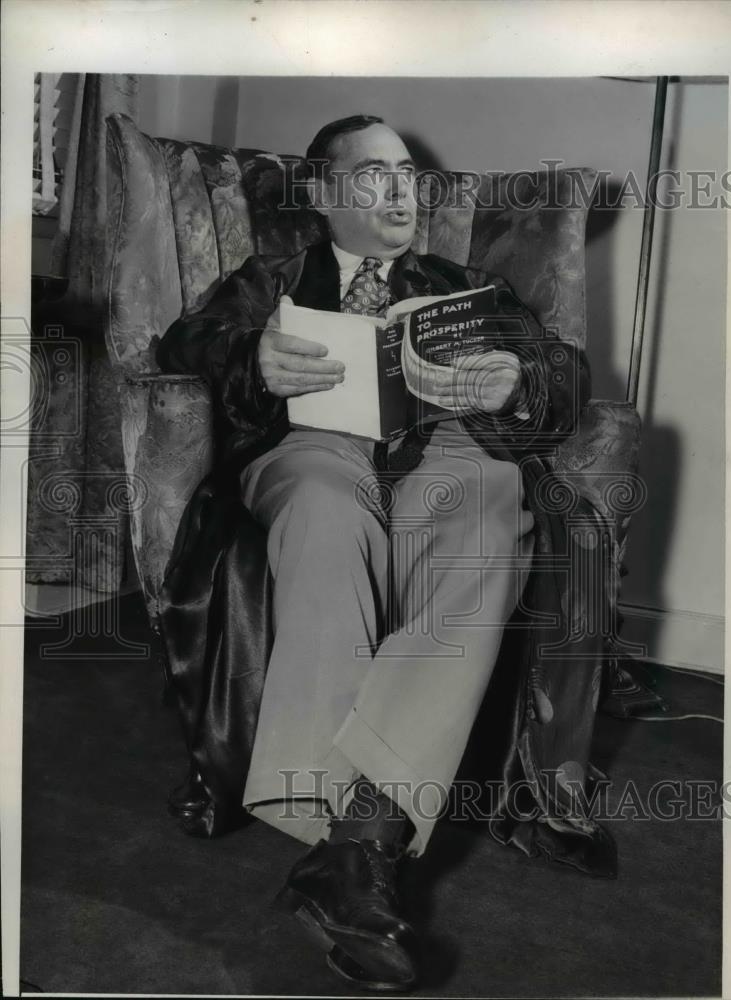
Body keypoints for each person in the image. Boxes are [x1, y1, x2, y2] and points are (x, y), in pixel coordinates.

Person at [156, 115, 601, 992]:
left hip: (448, 454)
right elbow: (182, 341)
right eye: (374, 175)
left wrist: (520, 377)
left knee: (492, 505)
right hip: (318, 448)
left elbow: (565, 370)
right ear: (326, 196)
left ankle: (355, 847)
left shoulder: (463, 285)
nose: (401, 191)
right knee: (323, 512)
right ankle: (351, 836)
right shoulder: (276, 277)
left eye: (407, 174)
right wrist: (255, 357)